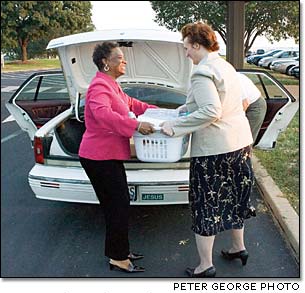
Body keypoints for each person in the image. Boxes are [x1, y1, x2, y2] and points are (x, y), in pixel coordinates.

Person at [161, 22, 255, 278]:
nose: (186, 53)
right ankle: (238, 247)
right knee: (235, 198)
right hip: (240, 144)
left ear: (197, 44)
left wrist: (175, 125)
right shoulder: (225, 66)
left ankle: (205, 265)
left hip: (215, 150)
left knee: (206, 206)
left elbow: (212, 111)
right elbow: (229, 102)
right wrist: (185, 108)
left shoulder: (201, 71)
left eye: (186, 47)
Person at [79, 42, 156, 274]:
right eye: (119, 58)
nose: (124, 61)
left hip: (108, 156)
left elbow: (133, 104)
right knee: (117, 207)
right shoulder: (98, 87)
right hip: (98, 157)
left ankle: (120, 251)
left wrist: (161, 111)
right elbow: (103, 115)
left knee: (119, 206)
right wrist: (136, 125)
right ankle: (118, 258)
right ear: (105, 62)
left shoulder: (112, 85)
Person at [237, 73, 267, 143]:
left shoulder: (235, 80)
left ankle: (247, 153)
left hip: (255, 105)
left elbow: (244, 103)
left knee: (246, 138)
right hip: (245, 104)